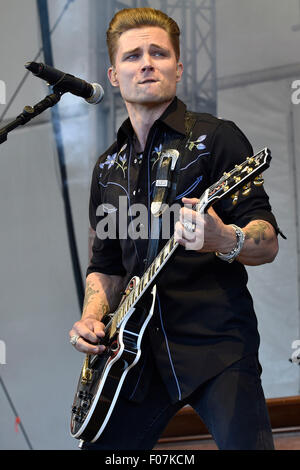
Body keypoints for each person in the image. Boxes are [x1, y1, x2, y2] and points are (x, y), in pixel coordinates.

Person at [69, 7, 279, 450]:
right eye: (132, 56)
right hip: (134, 359)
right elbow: (105, 265)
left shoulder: (217, 139)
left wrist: (224, 238)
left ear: (178, 68)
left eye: (158, 53)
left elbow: (266, 240)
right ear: (113, 74)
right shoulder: (107, 168)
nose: (146, 62)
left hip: (218, 347)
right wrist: (91, 317)